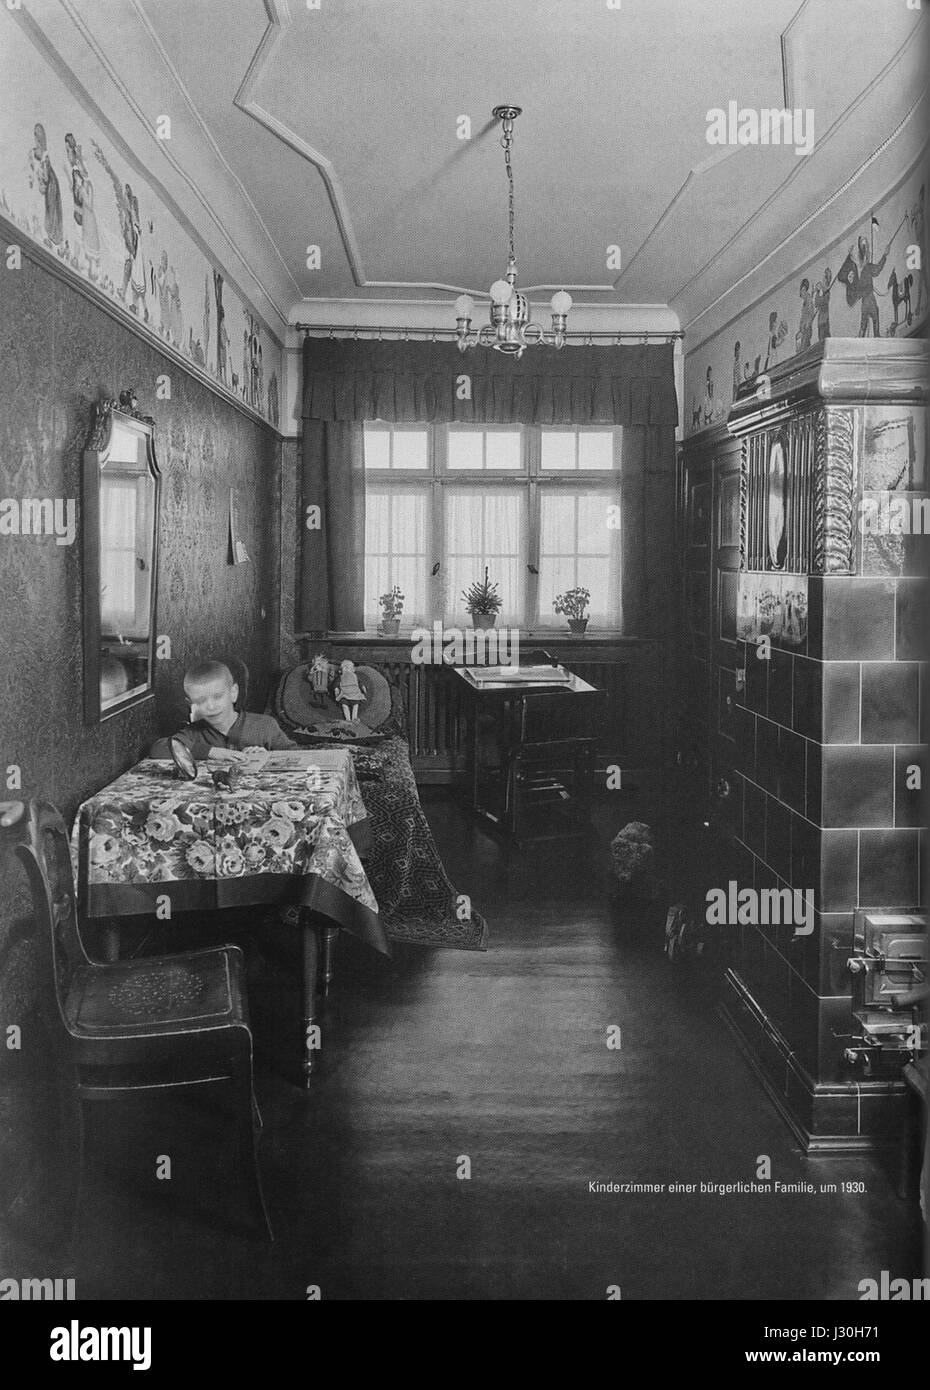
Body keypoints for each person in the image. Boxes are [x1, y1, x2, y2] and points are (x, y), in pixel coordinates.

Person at [149, 660, 295, 759]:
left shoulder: (265, 725)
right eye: (200, 700)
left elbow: (298, 755)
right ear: (190, 703)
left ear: (233, 693)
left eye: (218, 696)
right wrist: (211, 752)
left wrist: (268, 756)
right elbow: (158, 749)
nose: (211, 706)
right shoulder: (193, 733)